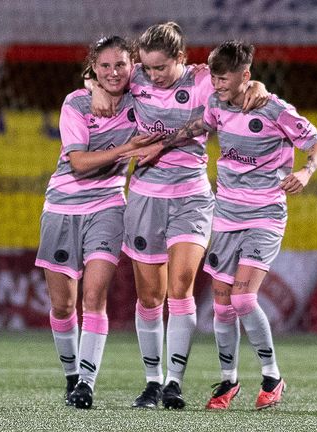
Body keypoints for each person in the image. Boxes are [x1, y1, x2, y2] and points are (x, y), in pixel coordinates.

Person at [90, 22, 269, 410]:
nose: (153, 76)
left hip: (191, 196)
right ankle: (152, 383)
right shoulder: (134, 77)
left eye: (161, 69)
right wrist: (94, 87)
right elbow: (99, 73)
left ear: (181, 60)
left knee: (181, 286)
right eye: (147, 69)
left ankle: (174, 382)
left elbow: (241, 86)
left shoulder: (203, 82)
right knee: (150, 296)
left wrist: (258, 87)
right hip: (144, 198)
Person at [176, 40, 317, 410]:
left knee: (244, 299)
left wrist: (306, 172)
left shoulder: (274, 109)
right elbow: (201, 124)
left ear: (246, 75)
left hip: (264, 215)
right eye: (214, 77)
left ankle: (272, 376)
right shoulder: (215, 103)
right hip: (226, 216)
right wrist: (163, 138)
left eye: (224, 78)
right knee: (223, 307)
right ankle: (227, 382)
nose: (217, 84)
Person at [34, 35, 163, 410]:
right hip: (61, 206)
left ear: (132, 66)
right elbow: (78, 162)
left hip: (108, 205)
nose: (113, 73)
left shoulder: (140, 94)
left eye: (120, 65)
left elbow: (175, 78)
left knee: (94, 297)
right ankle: (73, 376)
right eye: (104, 66)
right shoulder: (76, 102)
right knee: (62, 305)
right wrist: (126, 149)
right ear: (93, 67)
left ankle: (86, 384)